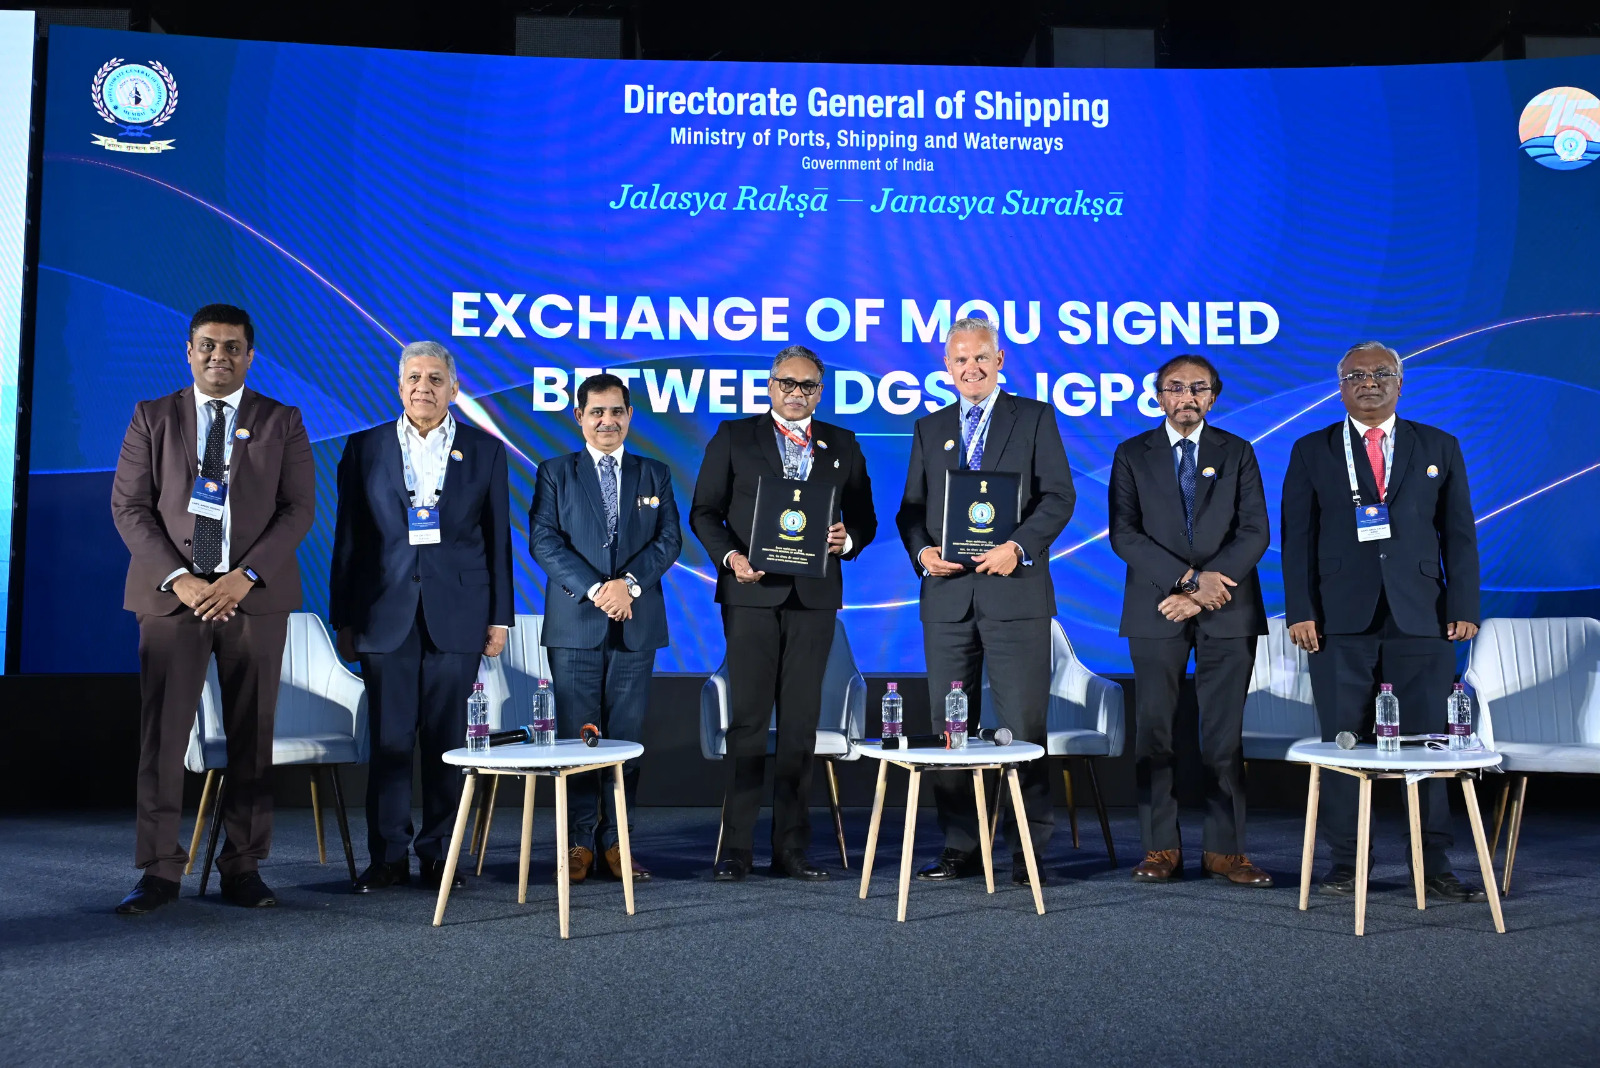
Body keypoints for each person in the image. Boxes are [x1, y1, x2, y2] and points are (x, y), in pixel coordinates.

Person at [110, 304, 315, 913]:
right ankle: (159, 871)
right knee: (163, 739)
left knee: (253, 735)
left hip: (252, 599)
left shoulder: (281, 420)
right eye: (207, 345)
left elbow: (298, 509)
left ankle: (243, 865)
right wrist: (180, 580)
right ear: (189, 351)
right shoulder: (152, 416)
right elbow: (129, 508)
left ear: (250, 356)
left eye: (231, 347)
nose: (218, 356)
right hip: (172, 600)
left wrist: (244, 577)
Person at [1281, 340, 1486, 902]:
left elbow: (1459, 533)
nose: (1368, 383)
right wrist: (1301, 610)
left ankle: (1433, 864)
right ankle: (1348, 864)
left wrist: (1463, 606)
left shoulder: (1439, 445)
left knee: (1428, 747)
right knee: (1343, 747)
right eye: (1355, 375)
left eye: (1380, 373)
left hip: (1423, 616)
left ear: (1400, 382)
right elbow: (1297, 538)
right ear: (1340, 386)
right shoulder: (1312, 449)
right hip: (1337, 619)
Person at [896, 316, 1076, 887]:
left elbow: (1059, 497)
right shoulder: (930, 428)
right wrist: (922, 551)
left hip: (1015, 593)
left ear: (999, 361)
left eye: (980, 358)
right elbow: (911, 509)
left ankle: (1027, 850)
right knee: (950, 727)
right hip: (947, 598)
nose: (970, 368)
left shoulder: (1034, 417)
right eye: (960, 360)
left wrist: (1016, 547)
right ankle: (961, 846)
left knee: (1023, 726)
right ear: (946, 367)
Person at [331, 340, 513, 894]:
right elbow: (348, 539)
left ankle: (440, 855)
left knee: (447, 743)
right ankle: (387, 856)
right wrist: (344, 618)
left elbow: (497, 539)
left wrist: (500, 617)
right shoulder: (364, 447)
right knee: (389, 742)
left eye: (435, 378)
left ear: (454, 389)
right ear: (399, 386)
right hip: (383, 615)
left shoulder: (485, 451)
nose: (423, 388)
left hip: (458, 615)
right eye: (413, 377)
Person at [689, 345, 877, 882]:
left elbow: (865, 517)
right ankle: (736, 849)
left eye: (807, 386)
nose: (796, 393)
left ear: (820, 392)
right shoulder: (734, 436)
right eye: (787, 383)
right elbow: (704, 511)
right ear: (771, 386)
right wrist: (731, 558)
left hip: (814, 598)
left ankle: (792, 849)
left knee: (799, 726)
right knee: (748, 722)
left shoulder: (842, 443)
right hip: (750, 595)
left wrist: (847, 539)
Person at [1109, 354, 1272, 886]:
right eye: (1176, 388)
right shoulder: (1132, 453)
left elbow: (1255, 532)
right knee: (1156, 734)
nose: (1187, 397)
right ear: (1159, 396)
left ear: (1213, 397)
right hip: (1156, 606)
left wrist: (1203, 594)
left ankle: (1226, 851)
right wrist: (1186, 582)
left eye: (1198, 389)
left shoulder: (1238, 451)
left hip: (1228, 609)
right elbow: (1124, 534)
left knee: (1223, 736)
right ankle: (1160, 847)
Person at [530, 373, 681, 884]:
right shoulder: (555, 472)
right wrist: (599, 590)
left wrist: (628, 586)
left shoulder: (654, 473)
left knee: (626, 742)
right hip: (576, 624)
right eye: (597, 412)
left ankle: (618, 842)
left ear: (630, 415)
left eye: (616, 411)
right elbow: (544, 542)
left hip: (636, 625)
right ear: (580, 417)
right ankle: (577, 843)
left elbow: (669, 540)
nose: (607, 421)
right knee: (578, 743)